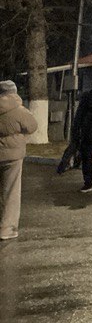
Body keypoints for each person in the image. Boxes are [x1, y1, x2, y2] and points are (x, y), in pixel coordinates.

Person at [0, 80, 39, 240]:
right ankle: (7, 228)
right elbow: (32, 126)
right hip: (13, 155)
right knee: (11, 192)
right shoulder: (19, 110)